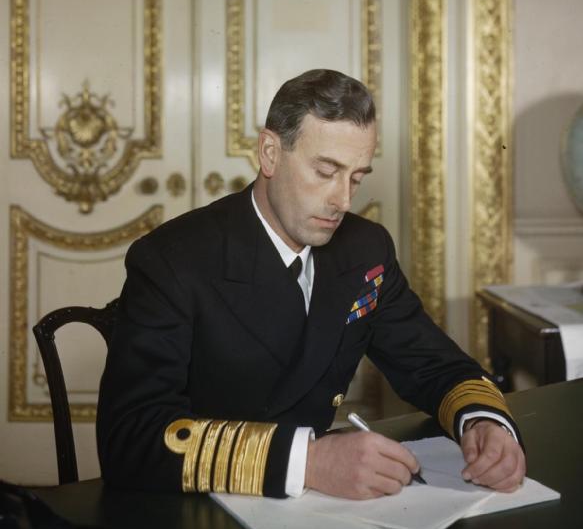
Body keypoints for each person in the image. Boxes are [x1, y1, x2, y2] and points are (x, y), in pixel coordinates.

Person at [97, 69, 526, 499]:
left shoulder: (364, 249)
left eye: (356, 177)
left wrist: (483, 422)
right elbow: (132, 438)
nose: (342, 200)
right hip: (203, 510)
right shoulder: (173, 259)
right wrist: (308, 462)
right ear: (269, 153)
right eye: (325, 171)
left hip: (318, 512)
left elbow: (434, 364)